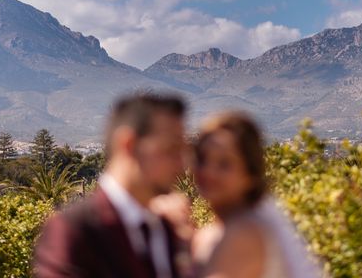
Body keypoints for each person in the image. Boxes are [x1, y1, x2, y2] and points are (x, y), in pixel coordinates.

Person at [33, 92, 191, 278]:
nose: (182, 164)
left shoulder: (163, 229)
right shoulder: (74, 231)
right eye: (171, 149)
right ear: (128, 145)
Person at [191, 111, 321, 278]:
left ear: (250, 175)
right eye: (202, 159)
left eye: (224, 164)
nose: (209, 171)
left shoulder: (244, 235)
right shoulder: (217, 230)